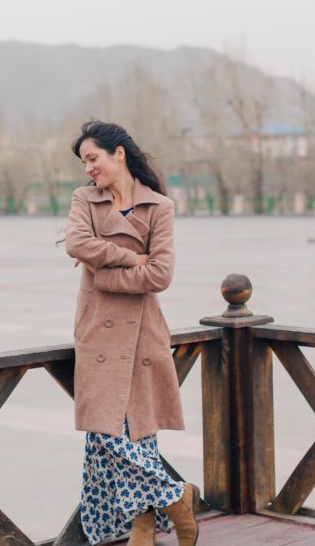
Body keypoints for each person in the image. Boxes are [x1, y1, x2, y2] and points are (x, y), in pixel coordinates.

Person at [64, 120, 200, 546]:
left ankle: (143, 525)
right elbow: (76, 244)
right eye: (84, 162)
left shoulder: (159, 206)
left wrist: (103, 273)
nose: (88, 168)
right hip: (97, 333)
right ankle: (176, 497)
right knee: (106, 435)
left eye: (93, 158)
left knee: (137, 432)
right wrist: (130, 257)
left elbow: (160, 275)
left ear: (118, 153)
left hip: (142, 334)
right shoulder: (85, 199)